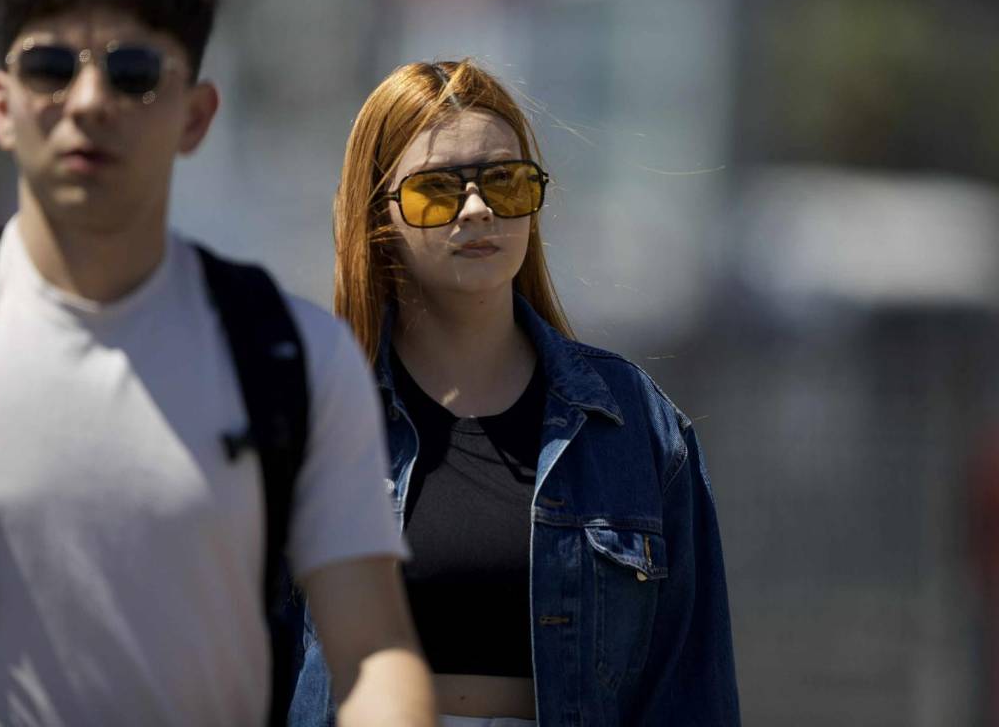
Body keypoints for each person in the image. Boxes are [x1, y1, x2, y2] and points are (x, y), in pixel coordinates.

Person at [0, 0, 435, 724]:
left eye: (134, 71)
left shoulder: (296, 357)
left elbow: (374, 652)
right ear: (1, 106)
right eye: (48, 67)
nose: (88, 101)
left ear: (196, 115)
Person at [290, 60, 741, 726]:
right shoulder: (312, 421)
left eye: (505, 181)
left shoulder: (632, 423)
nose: (478, 209)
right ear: (378, 216)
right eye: (437, 190)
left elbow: (689, 690)